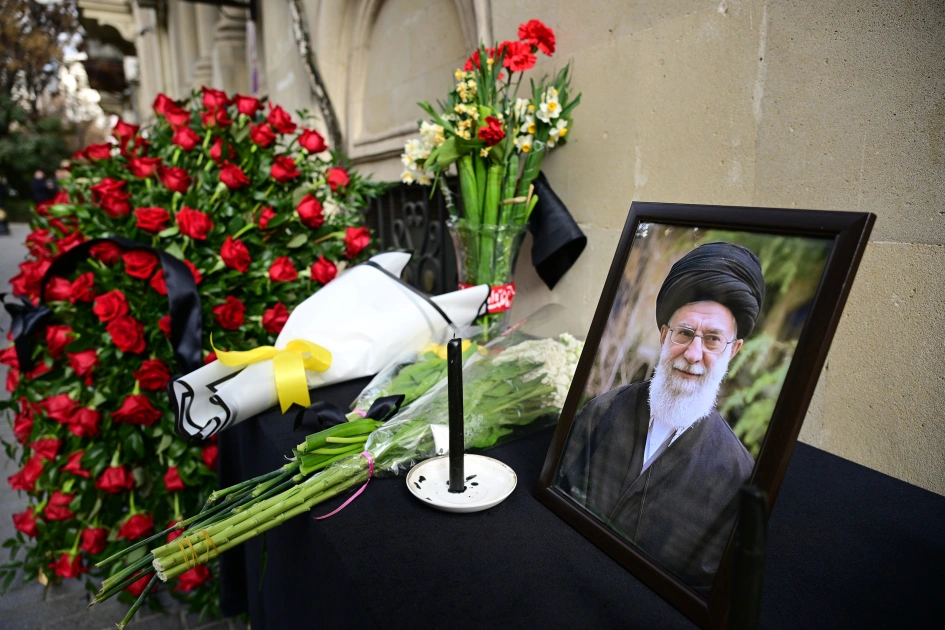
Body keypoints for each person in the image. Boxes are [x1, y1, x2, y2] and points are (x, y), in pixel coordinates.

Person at [557, 241, 766, 590]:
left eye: (713, 339)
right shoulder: (601, 412)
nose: (693, 354)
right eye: (685, 333)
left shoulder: (736, 475)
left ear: (733, 351)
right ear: (665, 334)